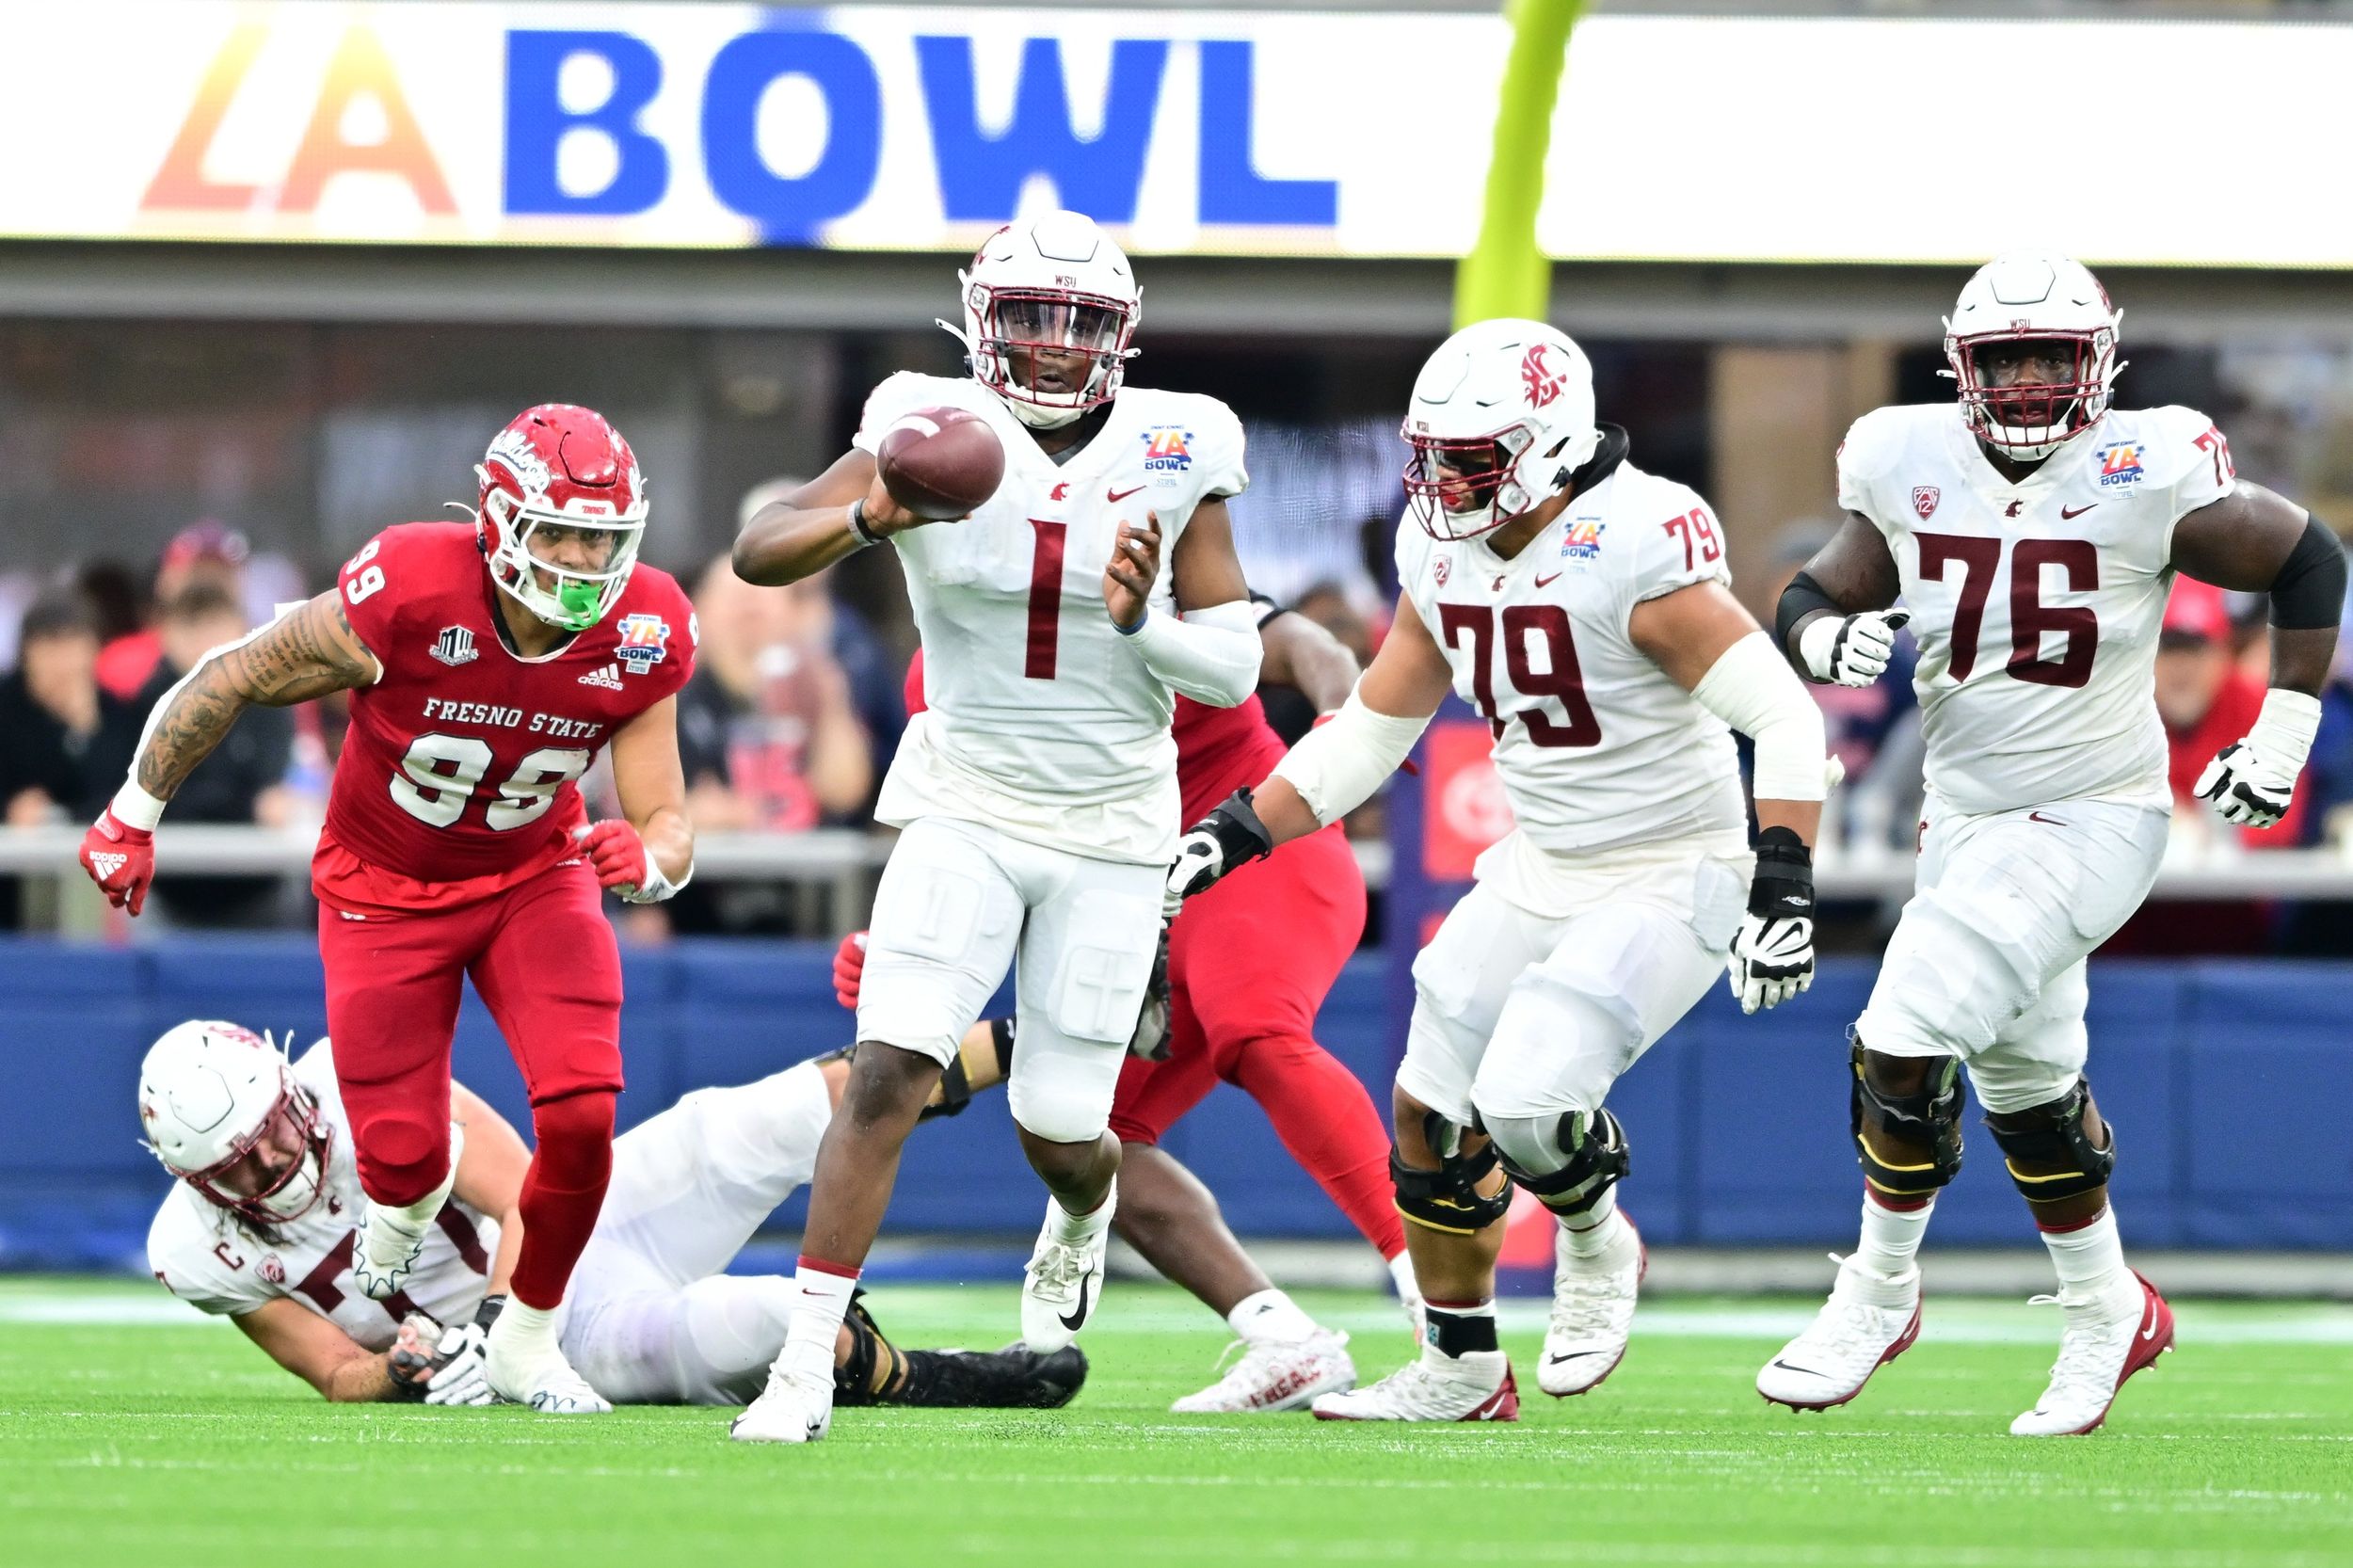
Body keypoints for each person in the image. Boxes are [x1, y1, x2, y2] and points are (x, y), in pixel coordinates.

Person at [1167, 318, 1833, 1421]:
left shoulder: (1636, 539)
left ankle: (1594, 1236)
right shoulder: (1439, 549)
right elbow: (1376, 727)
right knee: (1427, 1115)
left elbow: (1780, 715)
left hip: (1670, 864)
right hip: (1540, 859)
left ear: (1552, 449)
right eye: (1427, 457)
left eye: (1469, 460)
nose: (1440, 484)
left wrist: (1784, 877)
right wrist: (1238, 827)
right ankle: (1463, 1370)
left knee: (1526, 1103)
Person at [1760, 253, 2343, 1435]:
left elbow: (2306, 557)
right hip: (1965, 815)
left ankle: (1877, 1290)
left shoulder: (2148, 459)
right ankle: (2105, 1308)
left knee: (1902, 1026)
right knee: (2027, 1083)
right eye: (2003, 359)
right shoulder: (1900, 453)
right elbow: (1816, 591)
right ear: (1960, 367)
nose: (2026, 384)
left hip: (2097, 811)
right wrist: (1821, 641)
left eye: (2050, 358)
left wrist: (2284, 730)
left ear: (2100, 363)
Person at [728, 210, 1260, 1444]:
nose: (1057, 345)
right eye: (1030, 315)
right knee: (889, 1072)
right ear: (981, 316)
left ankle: (1078, 1220)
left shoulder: (1185, 439)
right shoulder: (924, 416)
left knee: (1067, 1133)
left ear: (1119, 334)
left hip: (1114, 822)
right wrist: (875, 515)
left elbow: (1232, 668)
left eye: (1081, 322)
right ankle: (805, 1363)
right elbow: (761, 551)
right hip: (964, 797)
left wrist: (1145, 626)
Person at [80, 405, 699, 1415]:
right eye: (561, 531)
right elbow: (236, 672)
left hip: (532, 876)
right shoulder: (411, 586)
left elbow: (666, 817)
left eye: (603, 535)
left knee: (583, 1114)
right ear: (499, 522)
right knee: (402, 1161)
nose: (586, 559)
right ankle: (398, 1220)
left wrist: (655, 858)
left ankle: (526, 1345)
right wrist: (133, 811)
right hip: (383, 892)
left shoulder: (646, 625)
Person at [834, 596, 1414, 1414]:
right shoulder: (949, 663)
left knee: (1255, 1031)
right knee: (1092, 1138)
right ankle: (1285, 1338)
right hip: (1132, 897)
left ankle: (1434, 1292)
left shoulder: (1138, 583)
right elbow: (962, 827)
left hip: (1250, 837)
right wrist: (894, 935)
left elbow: (1301, 643)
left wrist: (1338, 731)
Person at [140, 1020, 1084, 1411]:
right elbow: (337, 1372)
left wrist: (483, 1329)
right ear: (196, 1181)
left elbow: (525, 1194)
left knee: (740, 1123)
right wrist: (405, 1368)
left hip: (569, 1235)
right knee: (761, 1323)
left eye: (274, 1131)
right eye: (242, 1163)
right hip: (571, 1341)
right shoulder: (195, 1250)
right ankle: (942, 1378)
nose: (275, 1162)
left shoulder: (356, 1075)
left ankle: (1041, 1037)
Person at [131, 582, 297, 926]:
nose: (205, 641)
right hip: (168, 896)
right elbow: (162, 798)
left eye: (215, 624)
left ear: (241, 628)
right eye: (192, 627)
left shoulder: (272, 698)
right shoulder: (146, 705)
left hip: (258, 891)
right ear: (167, 634)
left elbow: (271, 789)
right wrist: (247, 806)